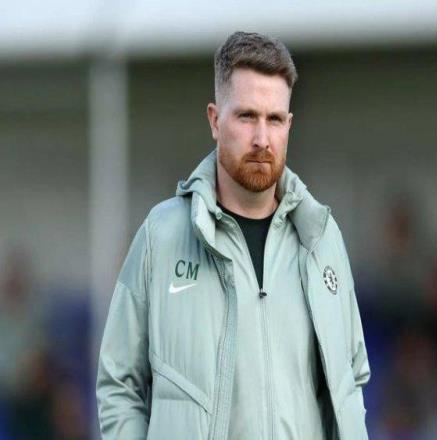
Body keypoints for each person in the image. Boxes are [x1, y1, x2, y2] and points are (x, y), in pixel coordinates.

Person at [96, 31, 370, 439]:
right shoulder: (161, 236)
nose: (262, 139)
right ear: (214, 120)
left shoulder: (322, 239)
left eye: (274, 119)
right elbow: (119, 383)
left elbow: (353, 378)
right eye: (246, 116)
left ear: (289, 125)